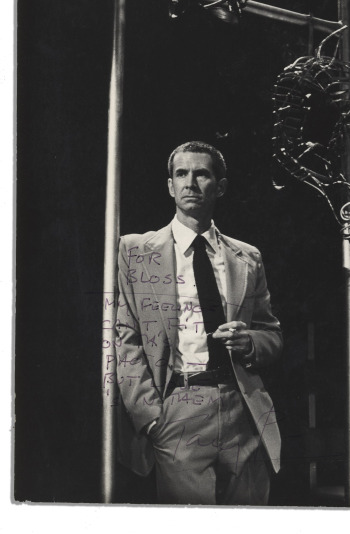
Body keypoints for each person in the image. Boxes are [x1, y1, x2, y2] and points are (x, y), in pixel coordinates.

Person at [115, 141, 283, 505]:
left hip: (244, 407)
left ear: (220, 187)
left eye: (202, 174)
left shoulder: (246, 256)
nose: (191, 183)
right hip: (179, 407)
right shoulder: (135, 251)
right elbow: (125, 340)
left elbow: (272, 334)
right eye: (181, 174)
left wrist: (250, 341)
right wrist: (150, 417)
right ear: (170, 186)